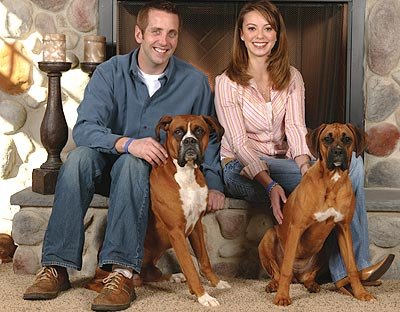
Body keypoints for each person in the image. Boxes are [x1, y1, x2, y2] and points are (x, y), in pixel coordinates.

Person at [23, 1, 225, 311]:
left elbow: (205, 138)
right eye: (156, 31)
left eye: (172, 33)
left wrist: (214, 184)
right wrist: (128, 143)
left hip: (147, 177)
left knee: (133, 165)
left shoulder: (194, 82)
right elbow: (86, 129)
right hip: (105, 167)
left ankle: (121, 273)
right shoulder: (109, 72)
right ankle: (56, 267)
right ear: (139, 33)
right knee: (78, 160)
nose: (164, 41)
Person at [214, 0, 394, 295]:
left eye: (267, 28)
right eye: (252, 28)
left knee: (354, 167)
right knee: (341, 173)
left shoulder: (292, 77)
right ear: (242, 35)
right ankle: (348, 271)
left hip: (284, 164)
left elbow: (296, 129)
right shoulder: (226, 82)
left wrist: (305, 168)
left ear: (277, 34)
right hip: (241, 169)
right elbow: (239, 143)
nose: (260, 36)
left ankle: (350, 270)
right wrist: (270, 185)